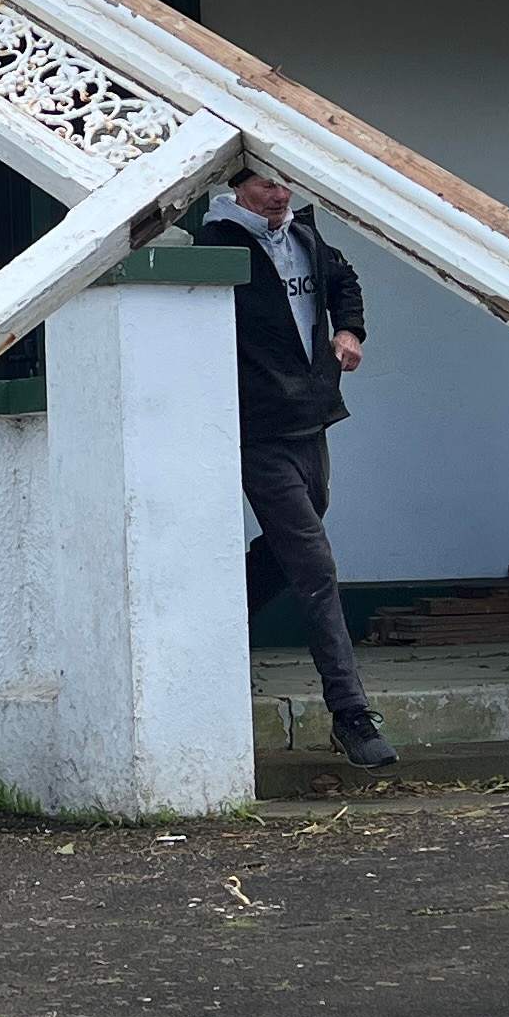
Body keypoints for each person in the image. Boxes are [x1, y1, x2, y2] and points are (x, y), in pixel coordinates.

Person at [196, 171, 396, 771]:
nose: (280, 195)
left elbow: (344, 279)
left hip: (312, 415)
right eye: (265, 186)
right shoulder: (215, 246)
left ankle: (211, 628)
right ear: (235, 189)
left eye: (285, 184)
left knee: (292, 547)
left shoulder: (306, 236)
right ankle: (351, 713)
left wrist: (348, 329)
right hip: (257, 426)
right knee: (314, 564)